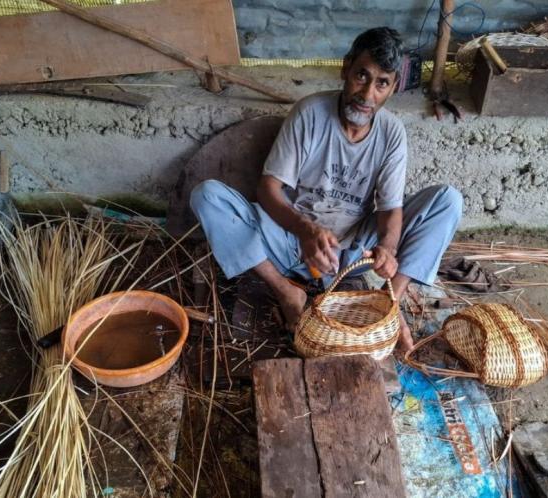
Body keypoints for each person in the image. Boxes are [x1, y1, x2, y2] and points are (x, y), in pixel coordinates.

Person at [190, 27, 462, 350]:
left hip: (353, 250)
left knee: (447, 201)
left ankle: (390, 303)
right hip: (292, 241)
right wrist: (305, 230)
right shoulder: (310, 113)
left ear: (392, 88)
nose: (367, 94)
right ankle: (287, 292)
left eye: (382, 84)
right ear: (345, 68)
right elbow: (268, 189)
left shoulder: (392, 133)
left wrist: (387, 248)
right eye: (362, 76)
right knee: (207, 196)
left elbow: (390, 210)